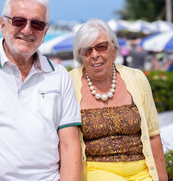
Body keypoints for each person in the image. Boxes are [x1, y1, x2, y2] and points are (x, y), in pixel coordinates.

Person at [0, 0, 83, 181]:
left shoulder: (59, 75)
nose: (27, 30)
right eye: (19, 21)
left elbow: (70, 146)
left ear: (46, 31)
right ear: (3, 24)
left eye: (37, 24)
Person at [69, 19, 167, 181]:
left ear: (114, 49)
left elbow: (153, 136)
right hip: (95, 171)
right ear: (80, 56)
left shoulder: (137, 78)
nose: (95, 55)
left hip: (142, 172)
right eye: (87, 50)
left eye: (101, 47)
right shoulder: (69, 83)